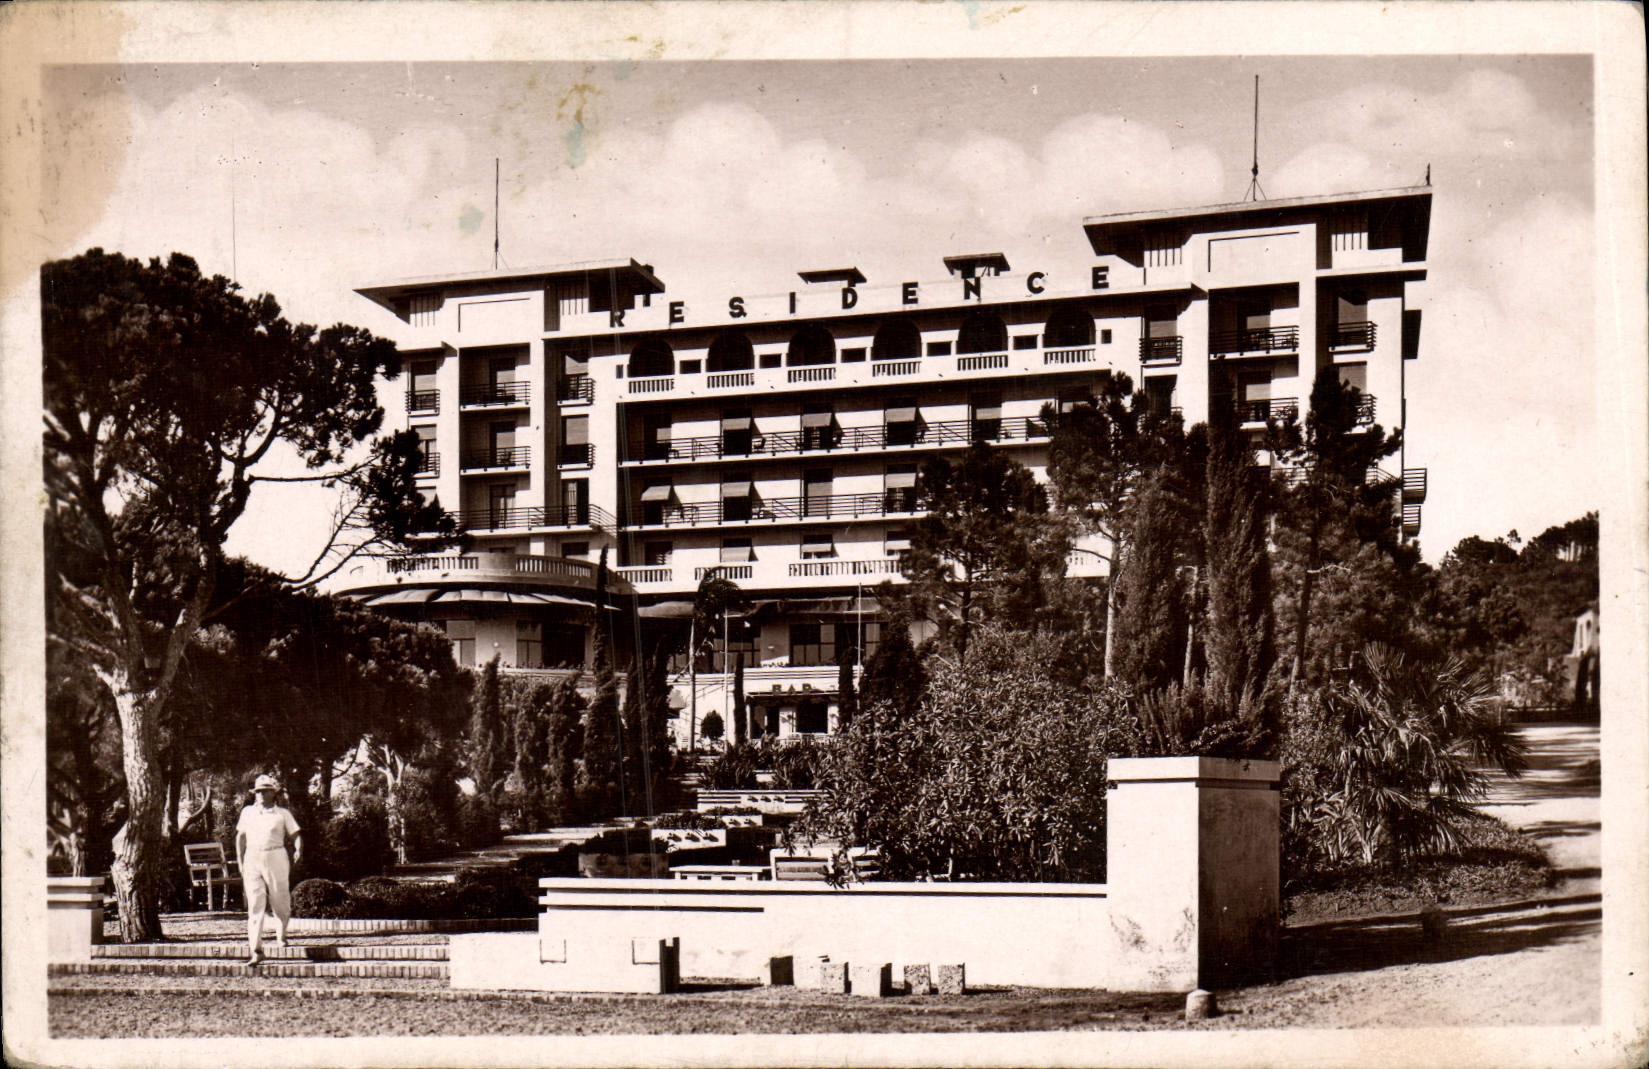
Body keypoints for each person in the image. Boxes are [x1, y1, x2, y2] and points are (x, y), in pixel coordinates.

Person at [235, 774, 302, 966]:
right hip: (252, 858)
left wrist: (298, 849)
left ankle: (281, 935)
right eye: (258, 791)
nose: (261, 795)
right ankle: (256, 950)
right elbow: (240, 837)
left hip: (276, 857)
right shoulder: (248, 812)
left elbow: (296, 834)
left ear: (274, 793)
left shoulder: (282, 814)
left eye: (265, 791)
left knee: (280, 900)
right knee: (255, 904)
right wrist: (240, 861)